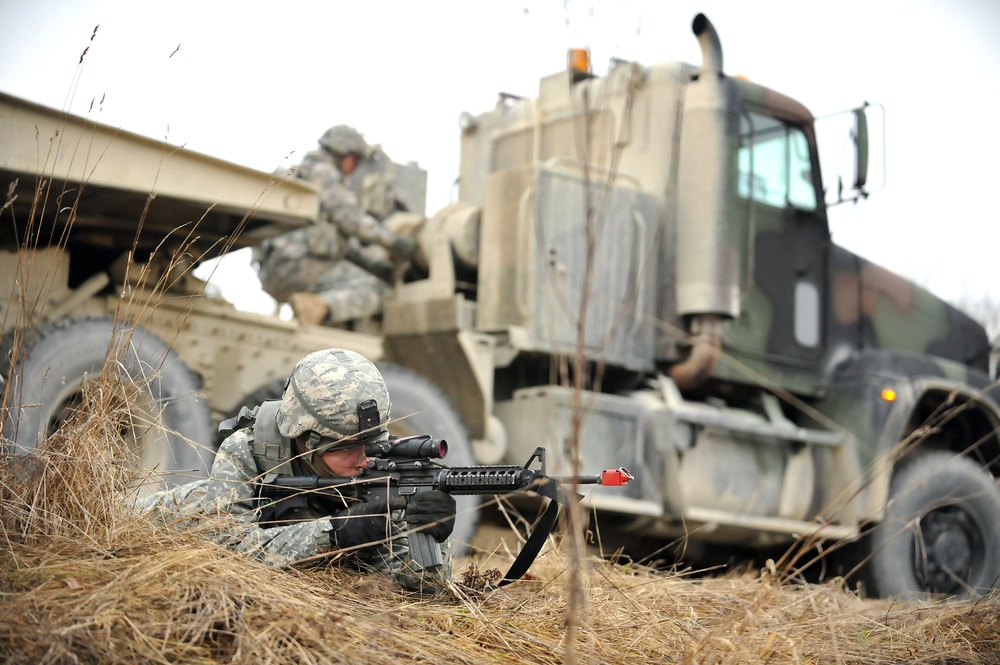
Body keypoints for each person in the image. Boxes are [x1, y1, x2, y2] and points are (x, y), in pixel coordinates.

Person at [137, 348, 456, 594]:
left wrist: (433, 535)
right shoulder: (247, 450)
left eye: (370, 445)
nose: (363, 460)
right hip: (161, 521)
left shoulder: (381, 470)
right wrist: (336, 533)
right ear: (305, 439)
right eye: (345, 448)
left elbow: (422, 588)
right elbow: (227, 552)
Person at [253, 125, 418, 327]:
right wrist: (396, 242)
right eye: (355, 160)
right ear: (342, 152)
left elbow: (340, 244)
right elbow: (352, 221)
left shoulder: (302, 173)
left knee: (358, 284)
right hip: (299, 267)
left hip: (274, 271)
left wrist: (375, 265)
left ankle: (317, 309)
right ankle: (316, 306)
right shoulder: (324, 173)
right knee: (379, 290)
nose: (356, 168)